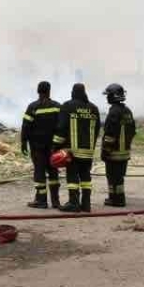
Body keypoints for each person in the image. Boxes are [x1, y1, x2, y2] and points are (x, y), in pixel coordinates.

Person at [52, 83, 100, 212]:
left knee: (72, 177)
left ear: (73, 92)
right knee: (86, 177)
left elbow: (61, 128)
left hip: (72, 151)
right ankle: (86, 204)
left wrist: (56, 146)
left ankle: (73, 203)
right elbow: (96, 130)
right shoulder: (94, 108)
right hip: (88, 151)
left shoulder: (68, 106)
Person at [20, 81, 64, 209]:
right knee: (53, 172)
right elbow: (62, 126)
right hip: (53, 147)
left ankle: (41, 200)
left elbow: (26, 126)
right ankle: (56, 201)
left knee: (39, 173)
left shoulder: (33, 107)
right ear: (49, 91)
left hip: (37, 147)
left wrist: (23, 142)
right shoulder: (57, 106)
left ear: (38, 91)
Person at [100, 83, 136, 207]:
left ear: (113, 96)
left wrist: (105, 150)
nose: (107, 98)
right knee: (119, 177)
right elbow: (132, 131)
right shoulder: (127, 111)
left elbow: (110, 134)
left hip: (114, 153)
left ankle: (116, 200)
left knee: (112, 177)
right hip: (124, 152)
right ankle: (117, 198)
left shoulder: (114, 112)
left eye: (108, 95)